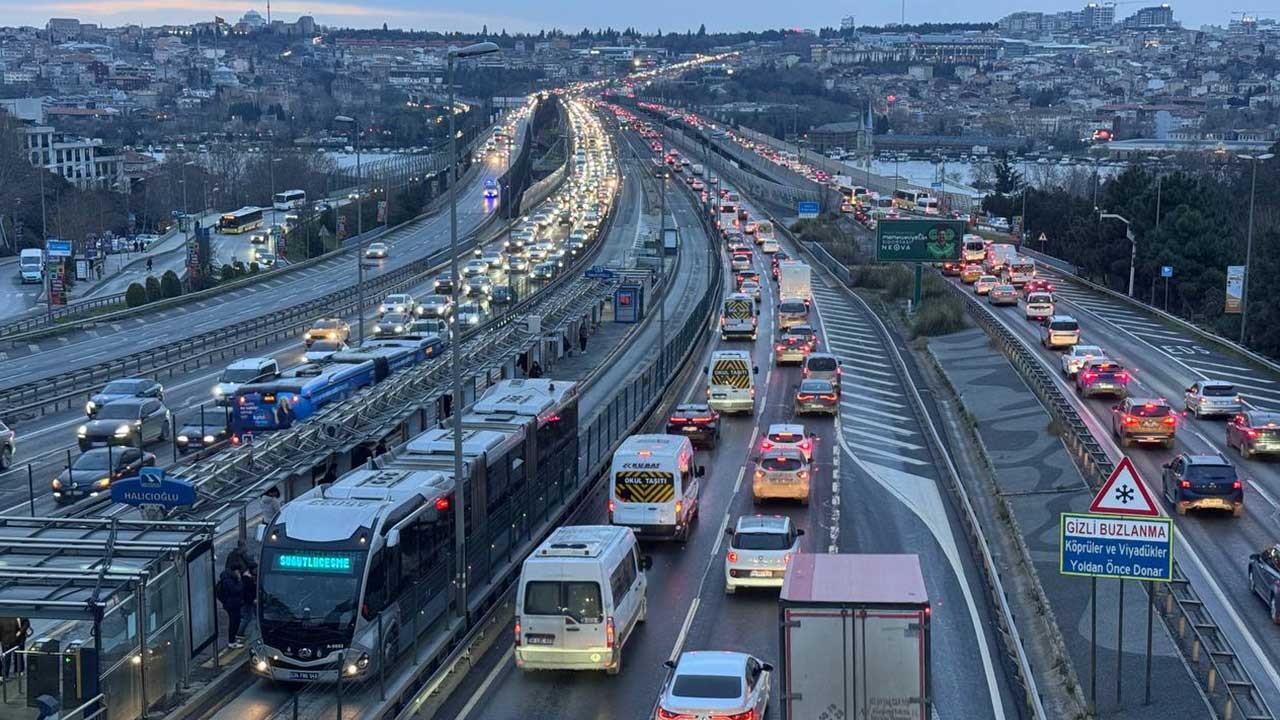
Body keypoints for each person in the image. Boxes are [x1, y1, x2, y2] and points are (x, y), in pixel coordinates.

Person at [216, 567, 245, 649]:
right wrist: (240, 580)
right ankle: (231, 642)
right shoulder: (228, 581)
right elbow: (236, 590)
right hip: (232, 605)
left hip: (232, 604)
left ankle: (233, 639)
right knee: (234, 622)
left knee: (236, 621)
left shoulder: (228, 578)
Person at [238, 566, 257, 643]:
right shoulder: (246, 579)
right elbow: (247, 592)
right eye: (255, 569)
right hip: (247, 602)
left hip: (249, 601)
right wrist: (252, 600)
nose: (257, 570)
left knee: (250, 617)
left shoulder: (250, 578)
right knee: (247, 617)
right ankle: (240, 633)